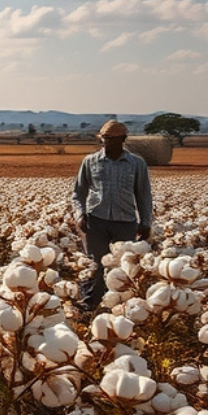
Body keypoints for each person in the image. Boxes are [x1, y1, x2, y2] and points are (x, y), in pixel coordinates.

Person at [73, 119, 153, 314]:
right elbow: (78, 192)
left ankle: (118, 308)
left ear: (123, 139)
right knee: (95, 264)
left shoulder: (136, 163)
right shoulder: (90, 161)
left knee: (121, 268)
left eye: (112, 139)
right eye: (104, 138)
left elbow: (143, 194)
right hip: (96, 221)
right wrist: (80, 215)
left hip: (125, 223)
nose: (107, 142)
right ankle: (88, 305)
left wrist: (145, 222)